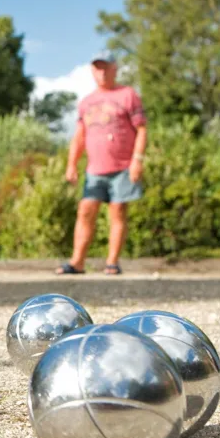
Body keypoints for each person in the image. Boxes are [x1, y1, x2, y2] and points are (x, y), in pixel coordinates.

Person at [56, 51, 148, 276]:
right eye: (97, 68)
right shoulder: (87, 102)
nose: (102, 72)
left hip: (123, 166)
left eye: (106, 67)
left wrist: (137, 160)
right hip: (95, 169)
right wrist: (71, 164)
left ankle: (112, 262)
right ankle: (77, 262)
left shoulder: (128, 95)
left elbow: (142, 129)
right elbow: (79, 136)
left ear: (115, 69)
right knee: (86, 210)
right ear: (92, 71)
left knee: (117, 211)